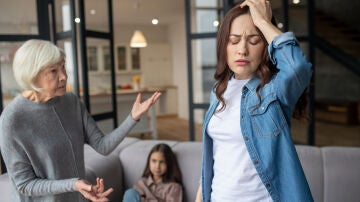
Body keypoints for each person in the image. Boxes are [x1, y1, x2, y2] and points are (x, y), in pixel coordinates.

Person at [0, 39, 161, 202]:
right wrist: (74, 184)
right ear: (32, 75)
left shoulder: (71, 102)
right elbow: (25, 184)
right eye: (53, 71)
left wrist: (133, 118)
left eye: (63, 66)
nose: (64, 76)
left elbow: (103, 146)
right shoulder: (12, 119)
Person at [195, 1, 313, 202]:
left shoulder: (273, 91)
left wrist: (263, 21)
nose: (242, 50)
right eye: (234, 40)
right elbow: (215, 157)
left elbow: (297, 68)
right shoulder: (218, 91)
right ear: (224, 45)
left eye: (254, 40)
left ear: (265, 47)